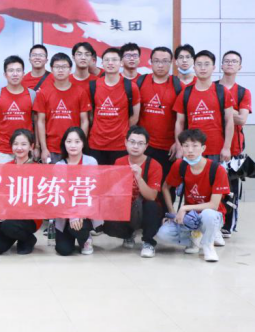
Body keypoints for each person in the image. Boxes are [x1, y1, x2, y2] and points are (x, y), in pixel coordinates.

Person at [158, 129, 230, 262]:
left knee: (208, 215)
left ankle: (208, 244)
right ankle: (194, 238)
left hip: (213, 214)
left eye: (195, 146)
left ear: (203, 148)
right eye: (185, 146)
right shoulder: (180, 165)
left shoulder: (217, 169)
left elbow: (214, 205)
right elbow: (165, 187)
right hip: (190, 217)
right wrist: (172, 212)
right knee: (162, 234)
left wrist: (184, 208)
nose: (190, 150)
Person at [102, 126, 163, 258]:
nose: (135, 146)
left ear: (146, 146)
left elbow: (152, 196)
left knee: (152, 206)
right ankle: (128, 234)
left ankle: (148, 242)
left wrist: (139, 177)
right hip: (126, 205)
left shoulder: (154, 165)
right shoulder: (119, 162)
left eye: (140, 143)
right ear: (126, 142)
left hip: (144, 209)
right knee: (108, 212)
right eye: (132, 142)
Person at [0, 129, 42, 255]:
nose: (19, 148)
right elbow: (1, 193)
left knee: (8, 226)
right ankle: (16, 235)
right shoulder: (6, 167)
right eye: (16, 144)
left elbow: (38, 199)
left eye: (23, 144)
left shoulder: (38, 169)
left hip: (29, 217)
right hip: (8, 215)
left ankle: (28, 239)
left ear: (31, 146)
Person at [173, 50, 234, 163]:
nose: (202, 68)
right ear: (194, 67)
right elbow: (179, 123)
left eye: (207, 64)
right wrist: (179, 147)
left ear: (213, 67)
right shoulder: (185, 93)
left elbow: (229, 121)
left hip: (216, 150)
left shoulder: (222, 91)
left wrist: (227, 147)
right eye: (199, 64)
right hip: (191, 151)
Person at [87, 48, 141, 165]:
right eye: (107, 60)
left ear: (121, 62)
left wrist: (122, 129)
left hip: (120, 145)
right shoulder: (93, 86)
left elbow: (135, 117)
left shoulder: (131, 87)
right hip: (96, 144)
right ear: (102, 63)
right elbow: (90, 115)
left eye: (114, 60)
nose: (110, 63)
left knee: (118, 176)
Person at [218, 50, 252, 236]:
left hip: (234, 148)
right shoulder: (212, 87)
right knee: (209, 187)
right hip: (211, 146)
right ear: (221, 65)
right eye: (227, 61)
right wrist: (234, 112)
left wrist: (222, 109)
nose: (230, 64)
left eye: (234, 61)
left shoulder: (243, 92)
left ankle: (227, 226)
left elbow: (241, 119)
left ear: (240, 66)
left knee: (230, 190)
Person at [34, 53, 91, 163]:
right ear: (51, 69)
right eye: (57, 67)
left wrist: (81, 145)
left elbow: (84, 121)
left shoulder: (80, 92)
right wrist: (44, 148)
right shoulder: (43, 93)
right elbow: (40, 121)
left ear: (70, 69)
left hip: (74, 147)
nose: (60, 70)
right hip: (51, 148)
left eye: (64, 67)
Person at [54, 127, 100, 256]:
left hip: (85, 212)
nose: (73, 145)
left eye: (77, 141)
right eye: (69, 141)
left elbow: (92, 192)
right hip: (66, 213)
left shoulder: (91, 162)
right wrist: (72, 214)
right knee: (63, 250)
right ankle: (72, 233)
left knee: (79, 228)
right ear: (64, 143)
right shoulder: (59, 165)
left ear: (83, 143)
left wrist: (79, 213)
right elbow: (61, 195)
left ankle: (85, 239)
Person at [137, 46, 182, 178]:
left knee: (165, 184)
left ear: (172, 62)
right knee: (141, 182)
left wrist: (178, 143)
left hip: (168, 148)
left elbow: (182, 120)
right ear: (151, 62)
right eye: (156, 61)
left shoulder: (179, 86)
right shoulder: (140, 82)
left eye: (165, 61)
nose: (160, 65)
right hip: (143, 145)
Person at [0, 56, 36, 164]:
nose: (15, 74)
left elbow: (37, 122)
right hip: (3, 150)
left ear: (23, 74)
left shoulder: (32, 95)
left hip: (26, 149)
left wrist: (36, 146)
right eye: (11, 71)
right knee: (4, 175)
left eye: (18, 70)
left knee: (26, 175)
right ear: (5, 74)